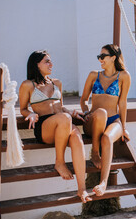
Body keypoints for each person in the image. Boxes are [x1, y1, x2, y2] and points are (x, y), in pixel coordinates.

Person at [19, 50, 92, 203]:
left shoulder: (56, 83)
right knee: (65, 120)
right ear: (36, 64)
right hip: (45, 127)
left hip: (63, 122)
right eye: (47, 61)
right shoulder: (27, 85)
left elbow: (61, 107)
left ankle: (82, 189)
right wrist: (30, 114)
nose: (51, 64)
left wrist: (71, 112)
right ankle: (59, 162)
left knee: (77, 139)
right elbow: (23, 109)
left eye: (50, 61)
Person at [80, 44, 131, 196]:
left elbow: (122, 103)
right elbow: (83, 99)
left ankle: (103, 183)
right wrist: (86, 112)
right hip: (93, 121)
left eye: (103, 56)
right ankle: (95, 152)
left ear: (113, 57)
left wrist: (124, 126)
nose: (100, 59)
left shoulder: (124, 76)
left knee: (108, 138)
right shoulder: (93, 75)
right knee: (101, 112)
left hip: (113, 119)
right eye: (99, 57)